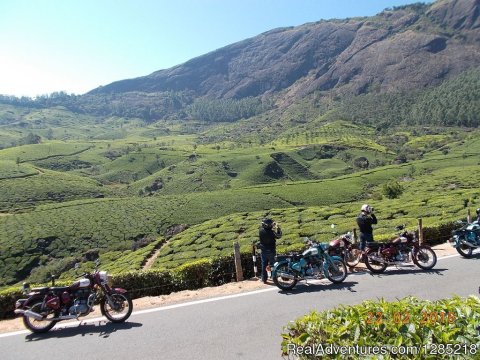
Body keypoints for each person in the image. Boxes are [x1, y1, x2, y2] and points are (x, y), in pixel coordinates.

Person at [258, 218, 282, 284]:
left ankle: (264, 279)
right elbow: (279, 236)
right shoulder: (272, 232)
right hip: (271, 250)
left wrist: (272, 226)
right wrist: (278, 228)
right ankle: (274, 277)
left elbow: (267, 228)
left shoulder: (260, 231)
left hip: (263, 250)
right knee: (273, 265)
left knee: (264, 265)